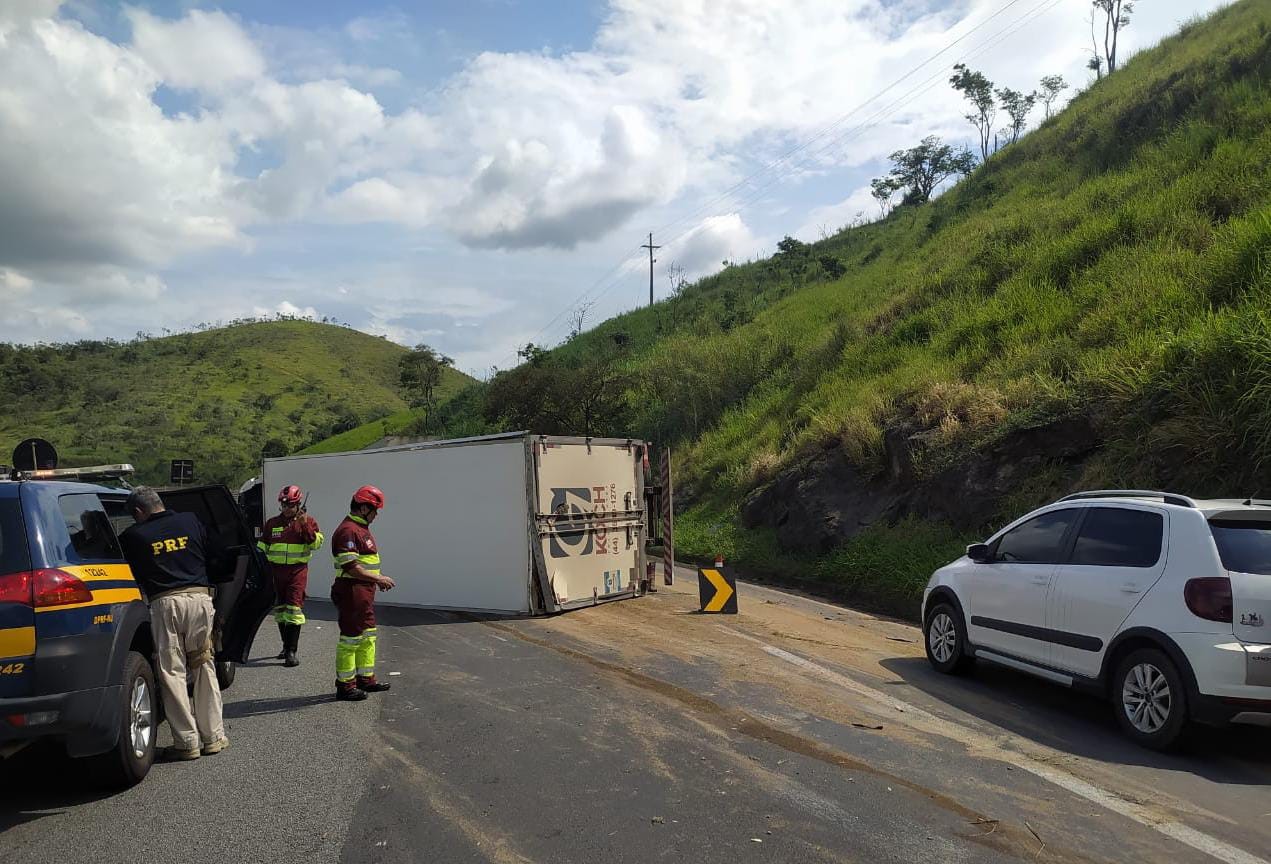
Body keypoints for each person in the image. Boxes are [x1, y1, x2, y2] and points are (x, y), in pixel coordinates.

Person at [119, 487, 228, 761]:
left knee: (172, 672)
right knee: (203, 664)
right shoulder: (191, 520)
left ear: (137, 512)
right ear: (160, 503)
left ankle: (187, 742)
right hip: (200, 599)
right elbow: (219, 554)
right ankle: (213, 737)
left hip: (165, 604)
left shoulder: (133, 535)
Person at [330, 485, 395, 702]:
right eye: (375, 510)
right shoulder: (349, 531)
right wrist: (379, 578)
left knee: (368, 636)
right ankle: (345, 686)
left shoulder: (360, 529)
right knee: (351, 639)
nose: (376, 515)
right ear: (364, 508)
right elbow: (351, 567)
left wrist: (376, 577)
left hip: (363, 592)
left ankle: (365, 679)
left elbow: (365, 564)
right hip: (352, 591)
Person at [257, 485, 323, 668]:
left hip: (296, 573)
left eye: (290, 505)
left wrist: (304, 524)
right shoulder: (271, 524)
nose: (286, 508)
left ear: (298, 504)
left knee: (294, 611)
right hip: (275, 573)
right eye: (283, 505)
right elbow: (262, 549)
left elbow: (315, 544)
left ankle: (292, 651)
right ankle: (285, 647)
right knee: (280, 612)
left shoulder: (308, 522)